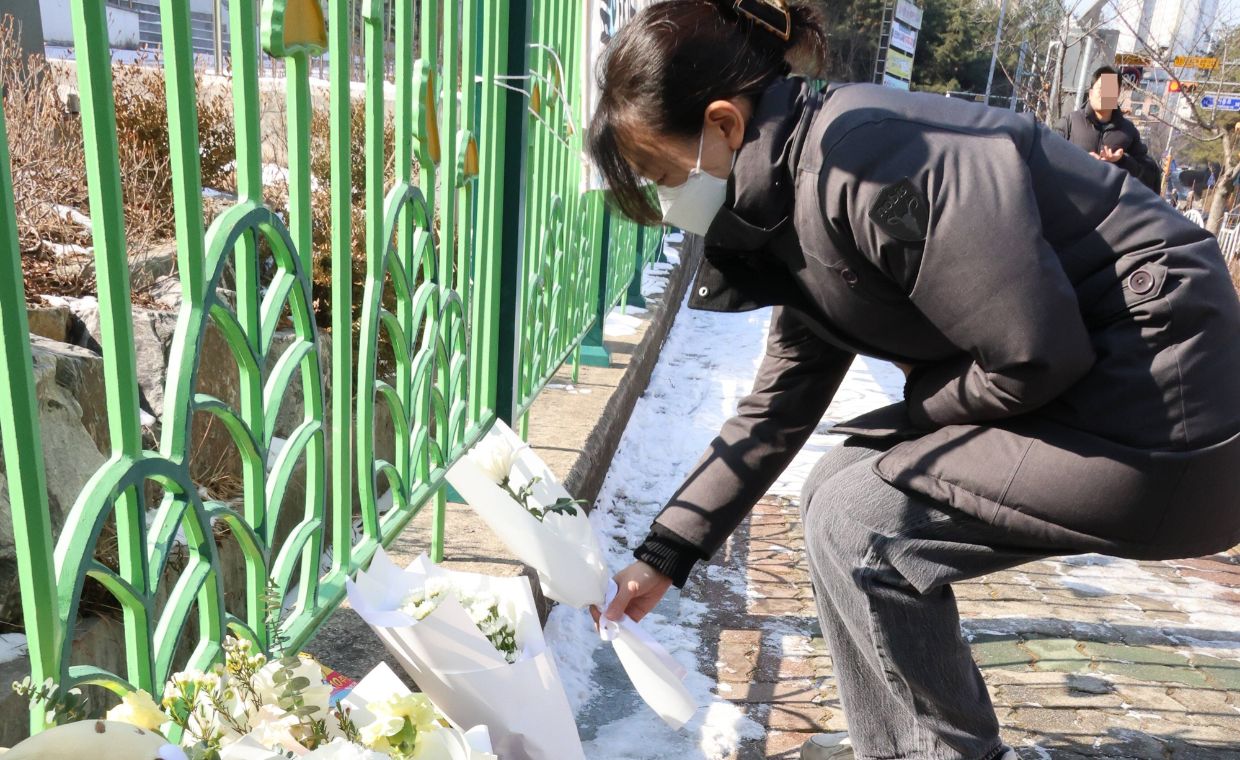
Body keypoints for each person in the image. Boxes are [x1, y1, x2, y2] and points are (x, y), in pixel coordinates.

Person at [587, 1, 1240, 759]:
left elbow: (1031, 352)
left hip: (1167, 407)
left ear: (725, 124)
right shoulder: (800, 190)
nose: (671, 203)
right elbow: (779, 402)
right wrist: (668, 551)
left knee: (859, 518)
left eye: (665, 173)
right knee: (838, 486)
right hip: (1111, 390)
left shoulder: (873, 160)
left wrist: (913, 414)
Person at [1055, 66, 1162, 193]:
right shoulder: (1070, 122)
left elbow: (1149, 174)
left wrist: (1122, 161)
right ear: (1090, 93)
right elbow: (1049, 157)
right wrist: (1080, 160)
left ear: (1117, 94)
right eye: (1101, 89)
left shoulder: (1128, 131)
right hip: (1071, 203)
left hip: (1108, 210)